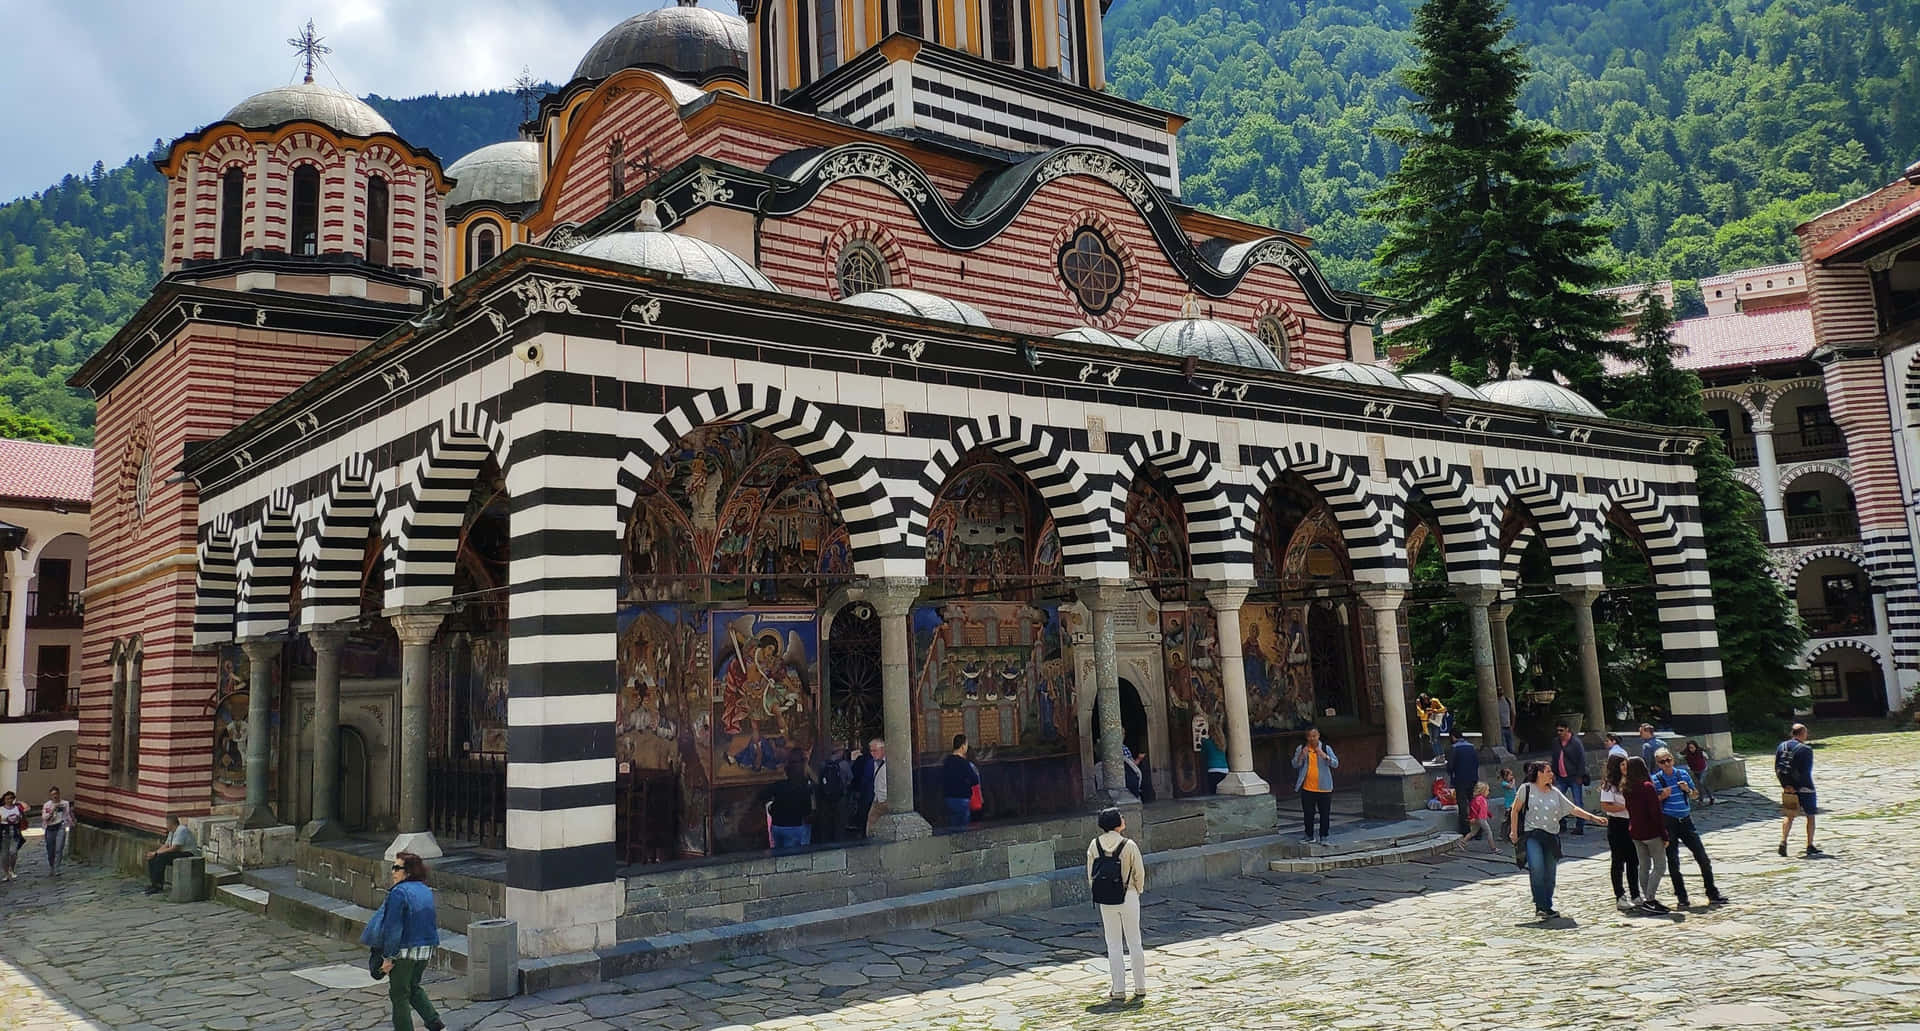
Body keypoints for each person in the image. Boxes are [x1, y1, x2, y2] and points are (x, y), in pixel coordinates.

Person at [1508, 759, 1607, 920]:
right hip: (1532, 834)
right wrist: (1513, 832)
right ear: (1539, 773)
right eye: (1548, 771)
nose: (1551, 774)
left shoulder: (1555, 792)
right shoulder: (1525, 789)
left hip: (1551, 837)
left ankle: (1547, 904)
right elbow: (1515, 810)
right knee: (1537, 868)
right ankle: (1541, 906)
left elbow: (1572, 808)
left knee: (1550, 873)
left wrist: (1593, 818)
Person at [362, 851, 447, 1031]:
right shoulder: (424, 890)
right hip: (426, 948)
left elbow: (393, 928)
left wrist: (388, 957)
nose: (393, 871)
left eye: (397, 868)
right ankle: (435, 1024)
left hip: (404, 950)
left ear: (408, 872)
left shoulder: (398, 893)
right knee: (413, 987)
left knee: (399, 994)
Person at [1651, 747, 1728, 908]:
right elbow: (1652, 804)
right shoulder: (1655, 780)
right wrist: (1661, 796)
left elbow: (1696, 795)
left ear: (1673, 759)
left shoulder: (1683, 774)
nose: (1667, 764)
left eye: (1668, 760)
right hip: (1668, 821)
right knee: (1673, 860)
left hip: (1686, 819)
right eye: (1662, 762)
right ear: (1658, 764)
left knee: (1702, 857)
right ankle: (1681, 896)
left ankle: (1712, 892)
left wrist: (1688, 789)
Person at [1086, 807, 1147, 1001]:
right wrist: (1138, 890)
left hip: (1106, 898)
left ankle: (1119, 988)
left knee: (1113, 944)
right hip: (1128, 894)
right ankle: (1140, 986)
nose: (1123, 818)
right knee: (1134, 942)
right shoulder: (1128, 845)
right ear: (1116, 822)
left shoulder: (1094, 845)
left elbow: (1090, 875)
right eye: (1121, 816)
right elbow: (1139, 872)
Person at [1624, 756, 1670, 914]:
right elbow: (1655, 813)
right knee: (1660, 866)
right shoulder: (1647, 786)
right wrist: (1664, 835)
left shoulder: (1627, 787)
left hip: (1635, 831)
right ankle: (1650, 899)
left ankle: (1646, 898)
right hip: (1651, 832)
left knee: (1643, 866)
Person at [1598, 753, 1640, 911]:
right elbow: (1606, 805)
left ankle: (1635, 893)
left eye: (1626, 765)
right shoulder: (1609, 785)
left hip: (1631, 822)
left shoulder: (1631, 781)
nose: (1625, 768)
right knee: (1618, 860)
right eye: (1622, 765)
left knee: (1633, 860)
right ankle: (1620, 895)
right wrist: (1625, 807)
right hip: (1617, 824)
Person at [1775, 723, 1819, 857]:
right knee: (1810, 816)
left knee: (1790, 815)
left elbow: (1777, 766)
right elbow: (1806, 771)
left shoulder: (1781, 747)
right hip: (1804, 787)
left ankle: (1783, 841)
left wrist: (1786, 785)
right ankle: (1809, 844)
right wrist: (1801, 786)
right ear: (1802, 733)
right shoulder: (1805, 749)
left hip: (1788, 787)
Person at [1292, 726, 1338, 844]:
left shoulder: (1325, 748)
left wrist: (1324, 755)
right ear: (1306, 737)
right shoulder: (1302, 748)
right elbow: (1295, 765)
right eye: (1309, 736)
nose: (1312, 739)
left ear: (1318, 736)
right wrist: (1302, 755)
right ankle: (1309, 835)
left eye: (1314, 736)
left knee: (1324, 814)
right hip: (1307, 787)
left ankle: (1324, 836)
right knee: (1308, 813)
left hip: (1324, 787)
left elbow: (1335, 763)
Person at [759, 754, 815, 848]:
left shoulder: (778, 785)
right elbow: (807, 812)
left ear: (786, 773)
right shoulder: (804, 788)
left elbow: (762, 796)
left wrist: (771, 808)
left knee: (778, 853)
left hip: (777, 826)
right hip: (794, 827)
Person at [1547, 722, 1588, 836]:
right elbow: (1554, 758)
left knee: (1577, 802)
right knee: (1557, 800)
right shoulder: (1556, 742)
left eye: (1561, 730)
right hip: (1560, 776)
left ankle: (1580, 826)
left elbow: (1581, 760)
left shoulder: (1575, 742)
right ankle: (1561, 823)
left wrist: (1580, 775)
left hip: (1574, 776)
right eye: (1558, 731)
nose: (1559, 733)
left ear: (1567, 730)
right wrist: (1553, 773)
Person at [142, 814, 197, 895]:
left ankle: (158, 885)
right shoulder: (172, 832)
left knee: (161, 858)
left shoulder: (181, 830)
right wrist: (154, 853)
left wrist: (157, 853)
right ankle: (154, 884)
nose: (166, 826)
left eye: (167, 823)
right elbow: (166, 845)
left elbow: (175, 848)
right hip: (178, 852)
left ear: (172, 823)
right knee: (153, 858)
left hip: (187, 853)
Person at [1445, 729, 1479, 836]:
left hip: (1460, 780)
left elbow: (1450, 766)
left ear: (1453, 737)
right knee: (1474, 804)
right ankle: (1478, 830)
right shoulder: (1471, 746)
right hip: (1473, 778)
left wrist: (1451, 773)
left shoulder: (1454, 748)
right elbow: (1477, 762)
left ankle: (1466, 831)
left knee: (1463, 805)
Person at [941, 735, 979, 829]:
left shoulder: (946, 761)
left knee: (952, 826)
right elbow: (975, 780)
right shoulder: (964, 763)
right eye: (966, 745)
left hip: (948, 798)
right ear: (962, 746)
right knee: (963, 828)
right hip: (962, 798)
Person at [816, 746, 851, 843]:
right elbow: (850, 779)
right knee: (840, 822)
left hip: (826, 798)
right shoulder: (844, 764)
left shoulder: (823, 764)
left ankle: (825, 842)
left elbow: (820, 781)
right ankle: (839, 842)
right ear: (840, 752)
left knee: (826, 822)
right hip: (840, 797)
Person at [855, 737, 885, 837]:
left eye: (875, 751)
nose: (872, 753)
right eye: (871, 751)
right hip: (874, 799)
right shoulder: (871, 763)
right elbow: (865, 779)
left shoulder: (891, 763)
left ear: (883, 750)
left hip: (886, 799)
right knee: (870, 825)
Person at [41, 788, 72, 877]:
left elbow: (67, 814)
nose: (55, 796)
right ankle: (52, 866)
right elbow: (45, 817)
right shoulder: (47, 805)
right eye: (53, 794)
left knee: (59, 848)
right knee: (50, 849)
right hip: (50, 828)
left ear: (59, 794)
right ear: (50, 796)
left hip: (60, 827)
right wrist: (53, 810)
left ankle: (57, 867)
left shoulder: (65, 803)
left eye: (56, 793)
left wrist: (71, 821)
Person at [1461, 782, 1498, 853]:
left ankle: (1462, 842)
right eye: (1487, 790)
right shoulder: (1480, 799)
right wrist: (1473, 817)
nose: (1488, 792)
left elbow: (1483, 809)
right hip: (1481, 819)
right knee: (1489, 832)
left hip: (1478, 818)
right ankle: (1493, 848)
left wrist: (1489, 815)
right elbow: (1474, 809)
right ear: (1482, 791)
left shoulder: (1480, 799)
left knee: (1473, 833)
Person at [1682, 740, 1715, 807]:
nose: (1691, 749)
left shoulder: (1700, 752)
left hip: (1703, 769)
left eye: (1692, 747)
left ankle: (1701, 799)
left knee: (1701, 783)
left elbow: (1706, 757)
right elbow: (1681, 756)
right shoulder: (1687, 754)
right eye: (1690, 748)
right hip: (1695, 771)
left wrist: (1703, 762)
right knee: (1704, 784)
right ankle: (1711, 797)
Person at [1495, 768, 1518, 835]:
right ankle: (1502, 833)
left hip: (1513, 802)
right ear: (1505, 776)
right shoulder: (1504, 783)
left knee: (1512, 818)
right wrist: (1514, 781)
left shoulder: (1509, 782)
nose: (1512, 776)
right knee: (1507, 819)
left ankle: (1511, 831)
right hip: (1508, 804)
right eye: (1510, 775)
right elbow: (1511, 787)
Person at [1496, 690, 1515, 755]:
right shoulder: (1494, 703)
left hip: (1508, 726)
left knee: (1511, 749)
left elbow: (1513, 714)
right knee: (1504, 749)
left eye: (1500, 689)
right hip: (1500, 728)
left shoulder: (1508, 700)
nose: (1500, 691)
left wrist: (1512, 725)